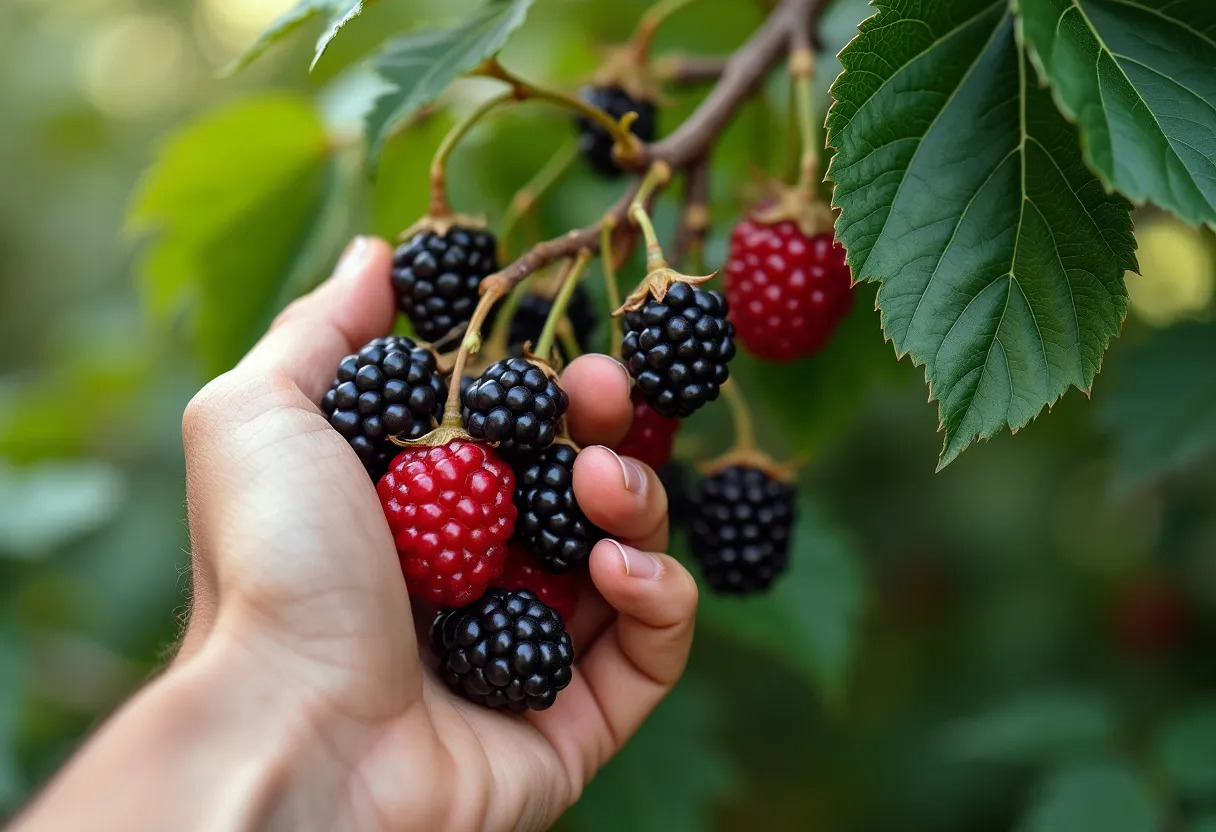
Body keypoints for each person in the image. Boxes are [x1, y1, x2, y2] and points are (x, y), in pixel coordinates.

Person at [13, 237, 699, 831]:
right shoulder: (452, 462)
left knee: (601, 452)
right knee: (600, 456)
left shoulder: (468, 465)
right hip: (459, 649)